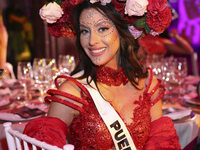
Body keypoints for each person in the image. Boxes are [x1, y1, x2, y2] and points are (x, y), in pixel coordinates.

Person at [23, 0, 181, 149]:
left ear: (122, 31)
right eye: (85, 31)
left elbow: (160, 144)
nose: (92, 40)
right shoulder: (72, 93)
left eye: (102, 29)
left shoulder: (148, 85)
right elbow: (43, 145)